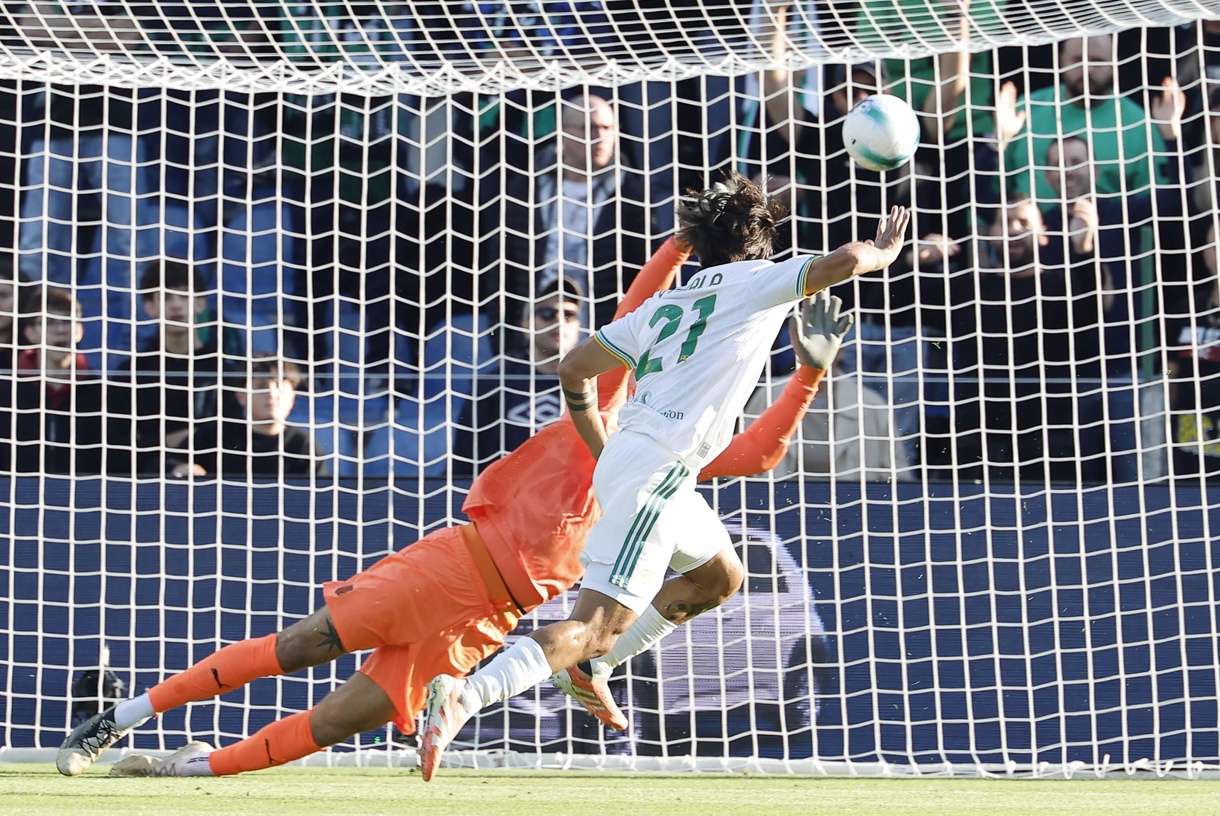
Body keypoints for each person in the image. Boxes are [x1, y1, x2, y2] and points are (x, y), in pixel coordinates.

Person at [56, 236, 842, 778]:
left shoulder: (675, 458)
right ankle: (121, 717)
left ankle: (182, 769)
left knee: (335, 724)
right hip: (455, 565)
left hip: (491, 620)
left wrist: (807, 374)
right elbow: (643, 301)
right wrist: (680, 247)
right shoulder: (612, 394)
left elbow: (758, 456)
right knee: (303, 646)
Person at [417, 174, 909, 781]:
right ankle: (465, 695)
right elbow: (848, 260)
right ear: (758, 244)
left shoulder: (666, 305)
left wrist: (602, 444)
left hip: (650, 464)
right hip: (656, 471)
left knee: (719, 577)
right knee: (594, 625)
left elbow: (574, 367)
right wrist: (884, 252)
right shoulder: (758, 282)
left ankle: (595, 668)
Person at [484, 92, 654, 330]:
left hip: (605, 333)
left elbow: (644, 271)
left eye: (607, 128)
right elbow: (503, 264)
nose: (600, 137)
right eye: (588, 128)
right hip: (534, 334)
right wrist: (504, 336)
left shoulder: (633, 193)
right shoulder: (527, 186)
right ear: (562, 132)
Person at [454, 276, 585, 474]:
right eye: (548, 313)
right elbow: (464, 463)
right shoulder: (494, 385)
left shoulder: (595, 384)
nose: (559, 321)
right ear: (526, 323)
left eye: (568, 314)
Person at [110, 260, 225, 476]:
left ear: (201, 303)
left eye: (184, 296)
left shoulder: (226, 371)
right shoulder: (131, 374)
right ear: (149, 306)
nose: (176, 305)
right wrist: (168, 443)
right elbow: (113, 450)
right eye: (165, 297)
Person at [0, 286, 128, 474]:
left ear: (80, 330)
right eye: (49, 322)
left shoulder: (104, 396)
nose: (60, 330)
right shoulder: (5, 393)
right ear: (30, 333)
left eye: (68, 321)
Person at [166, 355, 329, 481]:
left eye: (280, 386)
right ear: (241, 396)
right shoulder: (214, 436)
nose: (272, 394)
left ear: (292, 396)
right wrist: (179, 467)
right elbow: (164, 462)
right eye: (261, 387)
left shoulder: (303, 446)